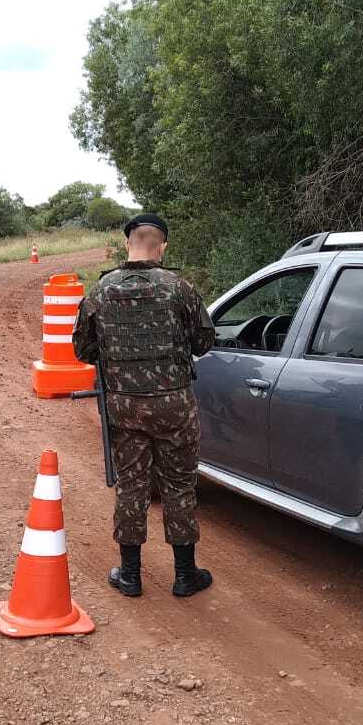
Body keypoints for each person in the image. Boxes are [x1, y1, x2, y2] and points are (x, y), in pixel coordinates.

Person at [72, 212, 216, 598]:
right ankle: (185, 575)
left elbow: (83, 349)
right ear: (163, 246)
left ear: (127, 244)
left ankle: (131, 575)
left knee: (131, 486)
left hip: (125, 406)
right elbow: (204, 342)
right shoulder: (180, 288)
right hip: (174, 404)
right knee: (180, 485)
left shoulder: (101, 291)